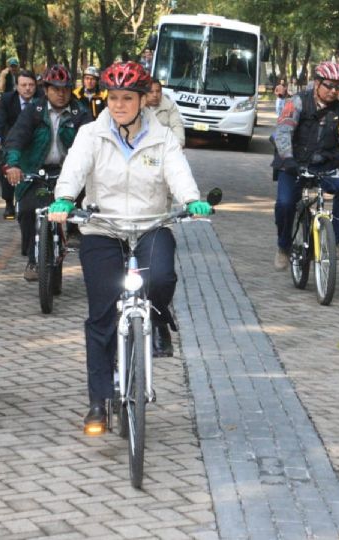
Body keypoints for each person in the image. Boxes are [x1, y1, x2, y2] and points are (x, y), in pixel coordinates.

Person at [45, 61, 213, 435]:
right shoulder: (91, 134)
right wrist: (65, 199)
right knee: (101, 315)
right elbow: (74, 168)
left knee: (163, 277)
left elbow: (178, 171)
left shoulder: (162, 136)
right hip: (102, 228)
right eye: (113, 97)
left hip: (150, 223)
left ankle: (154, 319)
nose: (119, 104)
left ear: (142, 100)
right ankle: (98, 401)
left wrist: (191, 199)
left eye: (127, 98)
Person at [2, 65, 92, 281]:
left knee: (82, 204)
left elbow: (93, 144)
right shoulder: (34, 111)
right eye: (55, 89)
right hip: (36, 171)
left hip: (69, 172)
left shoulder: (80, 113)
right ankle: (33, 259)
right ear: (46, 89)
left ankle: (73, 231)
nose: (61, 94)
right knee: (27, 211)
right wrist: (13, 165)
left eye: (65, 89)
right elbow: (16, 139)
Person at [270, 60, 339, 270]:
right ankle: (283, 246)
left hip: (325, 164)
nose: (334, 91)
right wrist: (288, 158)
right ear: (317, 83)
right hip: (293, 164)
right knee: (285, 204)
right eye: (329, 85)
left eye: (338, 86)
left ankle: (334, 240)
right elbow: (283, 131)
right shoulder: (297, 102)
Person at [0, 69, 38, 220]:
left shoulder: (42, 99)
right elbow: (0, 120)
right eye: (23, 85)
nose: (27, 88)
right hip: (10, 141)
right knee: (6, 167)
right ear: (17, 86)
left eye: (31, 85)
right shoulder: (7, 99)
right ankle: (9, 203)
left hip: (34, 142)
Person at [145, 78, 185, 146]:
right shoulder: (137, 107)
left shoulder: (170, 106)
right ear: (144, 93)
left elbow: (177, 126)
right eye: (151, 92)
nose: (155, 95)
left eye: (158, 91)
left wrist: (177, 145)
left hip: (163, 146)